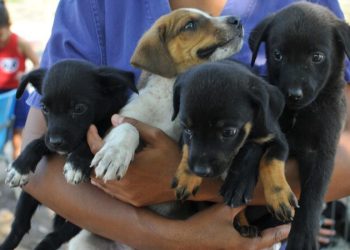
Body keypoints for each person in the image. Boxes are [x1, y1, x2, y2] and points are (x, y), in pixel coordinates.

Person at [21, 0, 350, 249]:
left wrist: (196, 186)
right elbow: (38, 161)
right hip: (107, 236)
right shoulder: (96, 6)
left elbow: (340, 148)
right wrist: (168, 237)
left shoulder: (310, 11)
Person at [0, 0, 39, 160]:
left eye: (0, 34)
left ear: (9, 27)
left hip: (17, 92)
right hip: (1, 95)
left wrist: (26, 74)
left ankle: (18, 156)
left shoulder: (20, 43)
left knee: (20, 128)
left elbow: (38, 64)